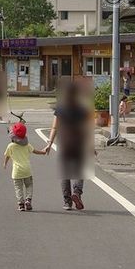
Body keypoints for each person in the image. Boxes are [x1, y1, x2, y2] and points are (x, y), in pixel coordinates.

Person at [45, 80, 92, 211]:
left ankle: (67, 202)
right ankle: (76, 193)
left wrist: (49, 143)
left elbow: (54, 127)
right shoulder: (82, 109)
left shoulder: (60, 108)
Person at [2, 122, 46, 211]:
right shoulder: (27, 145)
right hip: (27, 170)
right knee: (29, 185)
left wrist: (5, 163)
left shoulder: (10, 146)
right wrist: (43, 152)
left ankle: (21, 204)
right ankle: (28, 200)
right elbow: (35, 151)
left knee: (18, 188)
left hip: (16, 172)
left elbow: (7, 156)